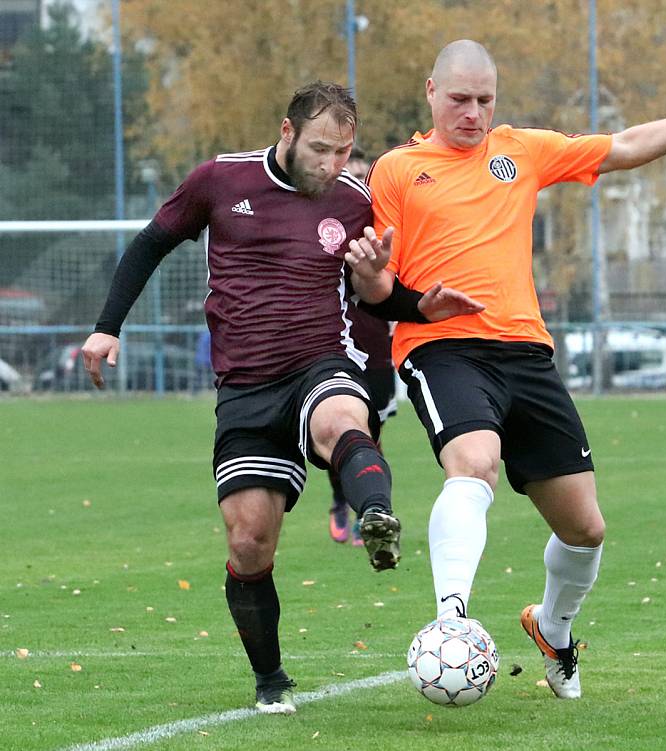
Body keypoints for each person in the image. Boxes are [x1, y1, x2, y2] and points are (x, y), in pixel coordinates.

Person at [345, 39, 666, 699]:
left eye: (485, 99)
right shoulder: (399, 170)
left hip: (527, 355)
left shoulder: (523, 149)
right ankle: (450, 619)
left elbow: (624, 146)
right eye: (460, 99)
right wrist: (377, 279)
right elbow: (378, 289)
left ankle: (553, 628)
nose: (474, 112)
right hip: (443, 347)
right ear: (431, 92)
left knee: (585, 527)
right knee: (475, 461)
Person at [80, 81, 483, 714]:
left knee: (343, 418)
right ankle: (271, 681)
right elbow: (149, 245)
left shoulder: (354, 202)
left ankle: (377, 517)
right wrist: (108, 327)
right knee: (248, 542)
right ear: (288, 132)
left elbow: (377, 290)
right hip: (243, 388)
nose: (333, 165)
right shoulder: (220, 180)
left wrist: (418, 304)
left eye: (344, 152)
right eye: (321, 149)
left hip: (319, 361)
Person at [327, 146, 397, 546]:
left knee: (373, 432)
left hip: (375, 342)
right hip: (334, 342)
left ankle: (371, 508)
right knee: (343, 428)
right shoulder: (326, 227)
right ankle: (345, 503)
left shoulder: (379, 228)